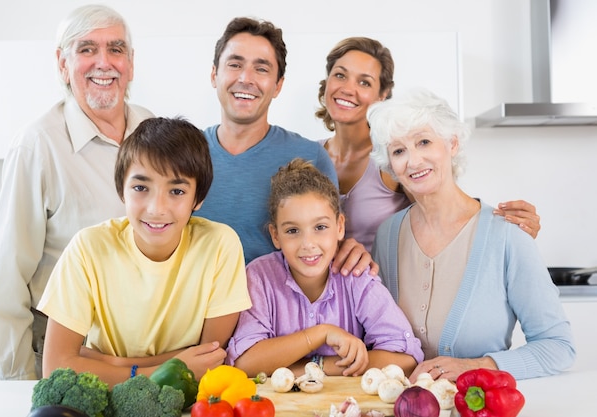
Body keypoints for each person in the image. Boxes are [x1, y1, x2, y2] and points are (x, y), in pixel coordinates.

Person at [0, 4, 155, 380]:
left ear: (131, 61)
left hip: (146, 356)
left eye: (115, 49)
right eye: (86, 49)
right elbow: (8, 285)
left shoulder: (153, 128)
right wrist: (19, 387)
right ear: (63, 64)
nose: (104, 63)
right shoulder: (36, 147)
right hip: (66, 357)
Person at [368, 88, 575, 381]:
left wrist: (476, 366)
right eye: (399, 151)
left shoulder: (508, 235)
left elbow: (558, 347)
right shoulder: (388, 235)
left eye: (424, 142)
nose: (413, 161)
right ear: (391, 165)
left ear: (451, 144)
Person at [38, 117, 251, 386]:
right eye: (141, 188)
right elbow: (55, 368)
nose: (156, 208)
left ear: (198, 198)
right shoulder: (88, 248)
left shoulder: (220, 245)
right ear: (121, 190)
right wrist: (161, 370)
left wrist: (111, 362)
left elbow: (209, 358)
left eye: (176, 191)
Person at [315, 37, 542, 252]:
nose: (347, 88)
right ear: (327, 82)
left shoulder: (394, 157)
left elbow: (448, 211)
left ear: (382, 95)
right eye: (340, 75)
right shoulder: (307, 155)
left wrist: (505, 227)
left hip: (387, 289)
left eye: (364, 82)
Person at [197, 17, 375, 277]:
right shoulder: (184, 154)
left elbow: (327, 242)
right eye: (235, 64)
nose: (246, 78)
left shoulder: (310, 157)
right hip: (200, 312)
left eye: (261, 69)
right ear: (215, 74)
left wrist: (351, 252)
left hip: (281, 314)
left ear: (278, 85)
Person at [226, 158, 423, 378]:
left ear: (340, 227)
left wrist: (318, 367)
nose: (308, 244)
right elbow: (245, 363)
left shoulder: (355, 276)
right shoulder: (259, 277)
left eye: (320, 227)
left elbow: (406, 358)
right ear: (275, 235)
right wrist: (322, 333)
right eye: (292, 231)